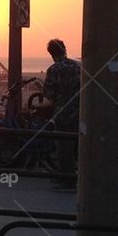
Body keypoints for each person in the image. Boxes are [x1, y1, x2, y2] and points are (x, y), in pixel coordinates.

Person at [42, 39, 81, 191]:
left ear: (51, 53)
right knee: (74, 145)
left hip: (63, 113)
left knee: (64, 147)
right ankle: (70, 177)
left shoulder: (54, 70)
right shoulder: (76, 67)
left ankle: (67, 180)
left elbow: (50, 95)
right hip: (78, 110)